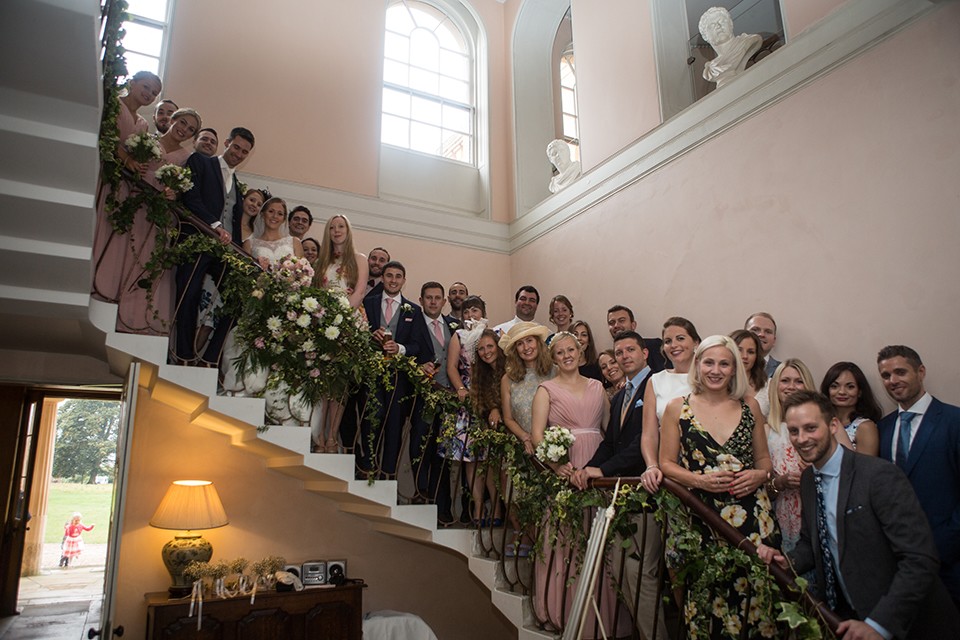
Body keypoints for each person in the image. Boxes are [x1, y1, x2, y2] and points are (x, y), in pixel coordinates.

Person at [758, 390, 960, 639]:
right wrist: (787, 562)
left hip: (907, 624)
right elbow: (812, 543)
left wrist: (879, 624)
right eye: (794, 431)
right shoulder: (809, 480)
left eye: (811, 428)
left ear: (833, 425)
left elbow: (920, 559)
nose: (802, 438)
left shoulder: (878, 476)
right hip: (847, 617)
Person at [660, 335, 777, 636]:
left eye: (724, 363)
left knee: (754, 605)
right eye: (709, 362)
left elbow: (765, 461)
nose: (716, 370)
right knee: (705, 604)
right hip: (703, 520)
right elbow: (666, 464)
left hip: (752, 519)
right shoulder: (677, 408)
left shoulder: (749, 405)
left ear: (734, 369)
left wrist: (758, 476)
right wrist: (699, 481)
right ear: (697, 366)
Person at [530, 331, 629, 637]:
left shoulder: (598, 386)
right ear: (553, 358)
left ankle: (604, 616)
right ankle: (562, 612)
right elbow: (536, 438)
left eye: (571, 349)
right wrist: (558, 466)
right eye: (560, 352)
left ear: (580, 351)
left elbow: (610, 432)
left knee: (600, 539)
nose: (567, 355)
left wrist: (604, 466)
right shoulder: (545, 390)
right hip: (566, 471)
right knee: (564, 539)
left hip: (597, 467)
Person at [572, 331, 669, 640]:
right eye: (618, 352)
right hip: (621, 496)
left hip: (647, 493)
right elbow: (611, 442)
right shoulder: (620, 394)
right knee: (621, 574)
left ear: (644, 353)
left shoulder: (655, 385)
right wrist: (588, 469)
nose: (624, 356)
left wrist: (604, 468)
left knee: (640, 574)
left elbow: (644, 442)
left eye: (630, 350)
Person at [876, 345, 960, 606]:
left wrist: (945, 544)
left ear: (920, 371)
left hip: (950, 560)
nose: (893, 381)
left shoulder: (954, 421)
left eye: (900, 372)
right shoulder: (883, 428)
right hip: (899, 561)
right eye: (886, 375)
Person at [115, 107, 202, 335]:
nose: (184, 130)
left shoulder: (187, 158)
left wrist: (175, 193)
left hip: (159, 215)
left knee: (146, 262)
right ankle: (112, 301)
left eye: (191, 129)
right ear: (172, 120)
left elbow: (186, 190)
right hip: (134, 202)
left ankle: (135, 316)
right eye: (182, 123)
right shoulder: (147, 140)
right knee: (124, 253)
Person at [175, 126, 256, 365]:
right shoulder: (201, 162)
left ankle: (210, 356)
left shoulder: (238, 185)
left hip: (226, 251)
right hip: (199, 240)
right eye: (236, 147)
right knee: (188, 294)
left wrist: (243, 255)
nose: (239, 154)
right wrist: (214, 224)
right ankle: (183, 354)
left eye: (244, 152)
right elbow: (191, 197)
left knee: (239, 298)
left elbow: (234, 221)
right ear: (227, 143)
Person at [91, 71, 161, 306]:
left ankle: (100, 280)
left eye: (154, 93)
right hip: (103, 171)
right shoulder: (114, 104)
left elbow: (134, 154)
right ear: (132, 83)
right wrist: (125, 160)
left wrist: (137, 165)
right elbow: (106, 136)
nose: (149, 94)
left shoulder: (142, 123)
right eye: (146, 87)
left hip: (122, 183)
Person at [359, 261, 432, 476]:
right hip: (372, 373)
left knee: (394, 425)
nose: (393, 280)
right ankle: (366, 467)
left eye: (398, 276)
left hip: (400, 378)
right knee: (372, 417)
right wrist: (370, 337)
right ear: (383, 277)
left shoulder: (414, 310)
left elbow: (418, 346)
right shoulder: (368, 302)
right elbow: (358, 334)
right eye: (389, 275)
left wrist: (399, 348)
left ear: (404, 280)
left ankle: (388, 473)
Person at [443, 295, 498, 524]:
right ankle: (477, 508)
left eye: (475, 310)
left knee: (491, 460)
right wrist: (461, 389)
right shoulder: (459, 336)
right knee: (471, 459)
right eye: (466, 312)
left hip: (490, 399)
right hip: (467, 405)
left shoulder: (493, 336)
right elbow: (451, 367)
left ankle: (496, 508)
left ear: (483, 313)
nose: (470, 315)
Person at [408, 282, 456, 509]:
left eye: (438, 298)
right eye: (429, 298)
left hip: (449, 398)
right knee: (420, 442)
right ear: (421, 300)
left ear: (444, 302)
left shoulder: (454, 326)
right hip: (424, 396)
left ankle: (442, 504)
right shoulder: (412, 324)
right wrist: (418, 366)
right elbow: (406, 351)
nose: (433, 302)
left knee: (444, 451)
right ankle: (421, 491)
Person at [640, 316, 701, 488]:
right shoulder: (656, 381)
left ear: (696, 342)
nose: (673, 345)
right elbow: (649, 433)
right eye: (668, 341)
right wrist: (652, 466)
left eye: (680, 338)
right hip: (671, 466)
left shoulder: (709, 377)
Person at [765, 359, 818, 552]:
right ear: (775, 385)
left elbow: (847, 468)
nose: (791, 387)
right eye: (785, 380)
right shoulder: (765, 429)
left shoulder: (826, 425)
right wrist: (780, 483)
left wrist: (814, 473)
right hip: (779, 516)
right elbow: (760, 485)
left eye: (798, 381)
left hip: (816, 512)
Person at [499, 322, 554, 454]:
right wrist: (525, 437)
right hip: (524, 449)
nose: (526, 347)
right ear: (515, 350)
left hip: (554, 447)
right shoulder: (507, 379)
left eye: (529, 341)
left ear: (538, 343)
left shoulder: (555, 372)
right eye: (520, 344)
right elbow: (508, 418)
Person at [820, 362, 882, 456]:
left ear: (860, 392)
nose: (841, 392)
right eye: (834, 386)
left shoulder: (865, 427)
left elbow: (866, 468)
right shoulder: (822, 422)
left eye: (850, 387)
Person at [313, 214, 368, 309]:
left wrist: (342, 315)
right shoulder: (319, 262)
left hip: (350, 316)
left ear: (348, 230)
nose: (336, 230)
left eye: (341, 226)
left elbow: (360, 292)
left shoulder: (360, 259)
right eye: (332, 228)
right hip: (325, 317)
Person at [699, 7, 762, 88]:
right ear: (705, 36)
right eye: (712, 25)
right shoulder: (710, 70)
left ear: (731, 24)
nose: (718, 26)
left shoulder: (747, 42)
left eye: (722, 21)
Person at [730, 329, 769, 419]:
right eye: (739, 350)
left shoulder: (769, 386)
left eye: (750, 352)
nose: (745, 356)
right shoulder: (719, 383)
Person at [745, 312, 779, 377]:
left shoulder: (783, 370)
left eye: (768, 332)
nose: (761, 334)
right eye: (755, 330)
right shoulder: (731, 366)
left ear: (774, 340)